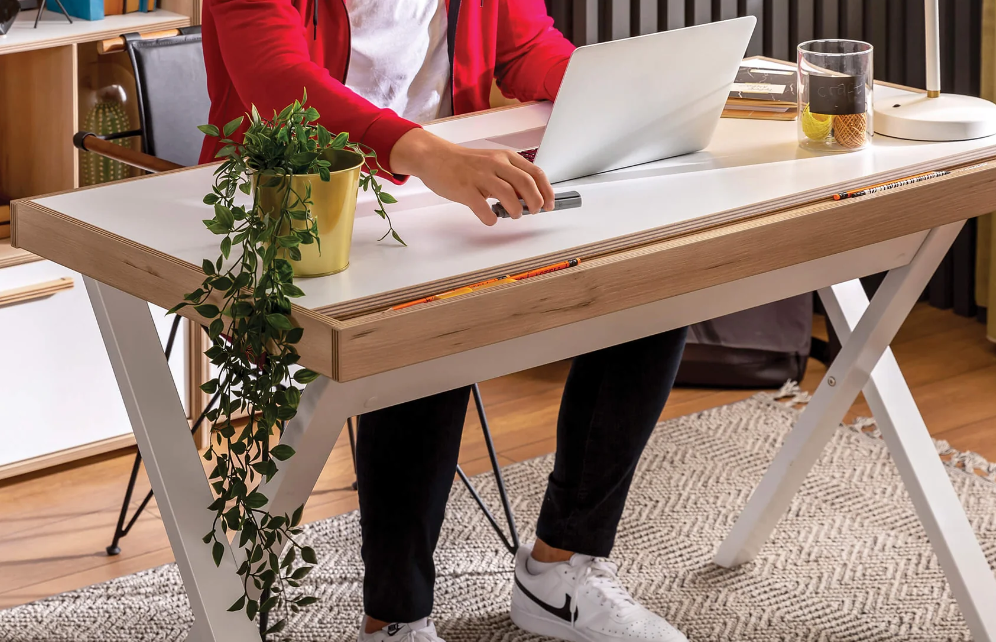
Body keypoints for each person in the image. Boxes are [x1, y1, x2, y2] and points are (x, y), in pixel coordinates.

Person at [201, 2, 690, 640]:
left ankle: (559, 571)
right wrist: (428, 153)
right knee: (427, 321)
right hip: (294, 201)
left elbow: (524, 48)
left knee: (652, 282)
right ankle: (396, 622)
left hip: (441, 191)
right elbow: (278, 80)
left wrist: (615, 93)